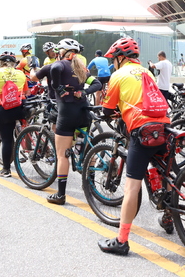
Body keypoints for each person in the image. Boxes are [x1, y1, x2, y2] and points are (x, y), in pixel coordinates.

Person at [97, 37, 170, 256]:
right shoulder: (146, 72)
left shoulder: (118, 75)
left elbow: (108, 109)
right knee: (166, 174)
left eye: (114, 60)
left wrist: (111, 112)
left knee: (131, 188)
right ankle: (168, 215)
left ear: (120, 58)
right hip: (164, 126)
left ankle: (121, 240)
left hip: (142, 130)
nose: (113, 64)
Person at [46, 38, 101, 205]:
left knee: (62, 155)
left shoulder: (60, 65)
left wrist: (58, 86)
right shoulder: (81, 69)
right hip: (84, 113)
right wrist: (83, 93)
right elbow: (97, 83)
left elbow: (54, 69)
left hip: (67, 114)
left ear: (62, 52)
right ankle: (91, 186)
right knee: (85, 148)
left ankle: (61, 195)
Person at [0, 52, 28, 177]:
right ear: (14, 63)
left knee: (7, 139)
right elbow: (26, 91)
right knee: (26, 127)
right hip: (21, 107)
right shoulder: (21, 73)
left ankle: (6, 169)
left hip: (4, 108)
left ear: (0, 63)